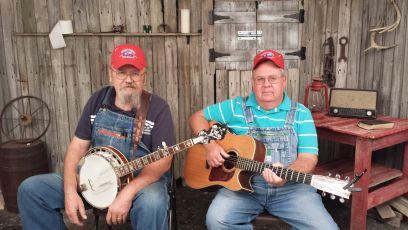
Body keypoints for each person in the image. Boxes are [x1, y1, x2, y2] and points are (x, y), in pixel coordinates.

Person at [17, 44, 175, 230]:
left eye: (135, 73)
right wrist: (70, 190)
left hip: (141, 184)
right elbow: (76, 148)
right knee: (31, 190)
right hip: (95, 180)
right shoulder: (98, 100)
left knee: (153, 203)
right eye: (121, 72)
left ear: (144, 76)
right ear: (111, 74)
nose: (128, 79)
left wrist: (128, 192)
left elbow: (164, 161)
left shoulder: (158, 108)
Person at [189, 50, 338, 229]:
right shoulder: (236, 106)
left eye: (272, 78)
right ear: (253, 83)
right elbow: (197, 117)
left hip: (291, 190)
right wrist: (210, 146)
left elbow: (308, 158)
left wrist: (286, 172)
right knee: (217, 219)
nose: (266, 84)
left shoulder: (301, 113)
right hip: (242, 189)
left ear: (283, 81)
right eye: (260, 79)